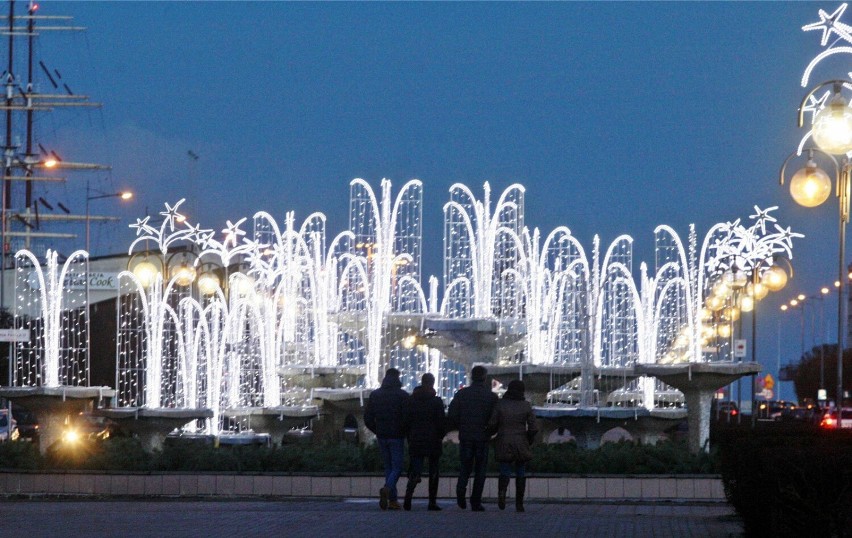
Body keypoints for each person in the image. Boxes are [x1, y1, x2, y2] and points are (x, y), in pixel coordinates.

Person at [447, 365, 498, 511]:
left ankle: (460, 491)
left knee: (465, 466)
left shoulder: (462, 394)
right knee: (480, 470)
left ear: (471, 376)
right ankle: (475, 501)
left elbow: (452, 414)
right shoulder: (491, 396)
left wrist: (461, 426)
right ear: (485, 377)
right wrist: (490, 431)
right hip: (483, 437)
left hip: (466, 435)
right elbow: (495, 418)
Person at [489, 379, 538, 512]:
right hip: (521, 441)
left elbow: (493, 424)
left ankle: (502, 492)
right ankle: (519, 503)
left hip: (504, 440)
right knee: (520, 471)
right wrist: (529, 438)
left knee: (505, 469)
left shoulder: (500, 404)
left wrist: (492, 434)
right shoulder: (526, 406)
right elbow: (534, 427)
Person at [364, 368, 409, 510]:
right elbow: (407, 417)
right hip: (396, 436)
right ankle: (388, 488)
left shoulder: (375, 395)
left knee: (389, 468)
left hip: (382, 436)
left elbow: (368, 418)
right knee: (397, 467)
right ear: (398, 378)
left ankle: (393, 500)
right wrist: (404, 430)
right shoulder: (402, 395)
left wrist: (377, 430)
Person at [402, 372, 446, 511]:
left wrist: (409, 436)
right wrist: (441, 435)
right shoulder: (437, 401)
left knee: (416, 468)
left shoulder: (412, 400)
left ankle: (408, 496)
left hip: (416, 438)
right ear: (432, 383)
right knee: (434, 470)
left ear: (421, 382)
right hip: (433, 440)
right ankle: (432, 502)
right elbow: (441, 423)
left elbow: (406, 421)